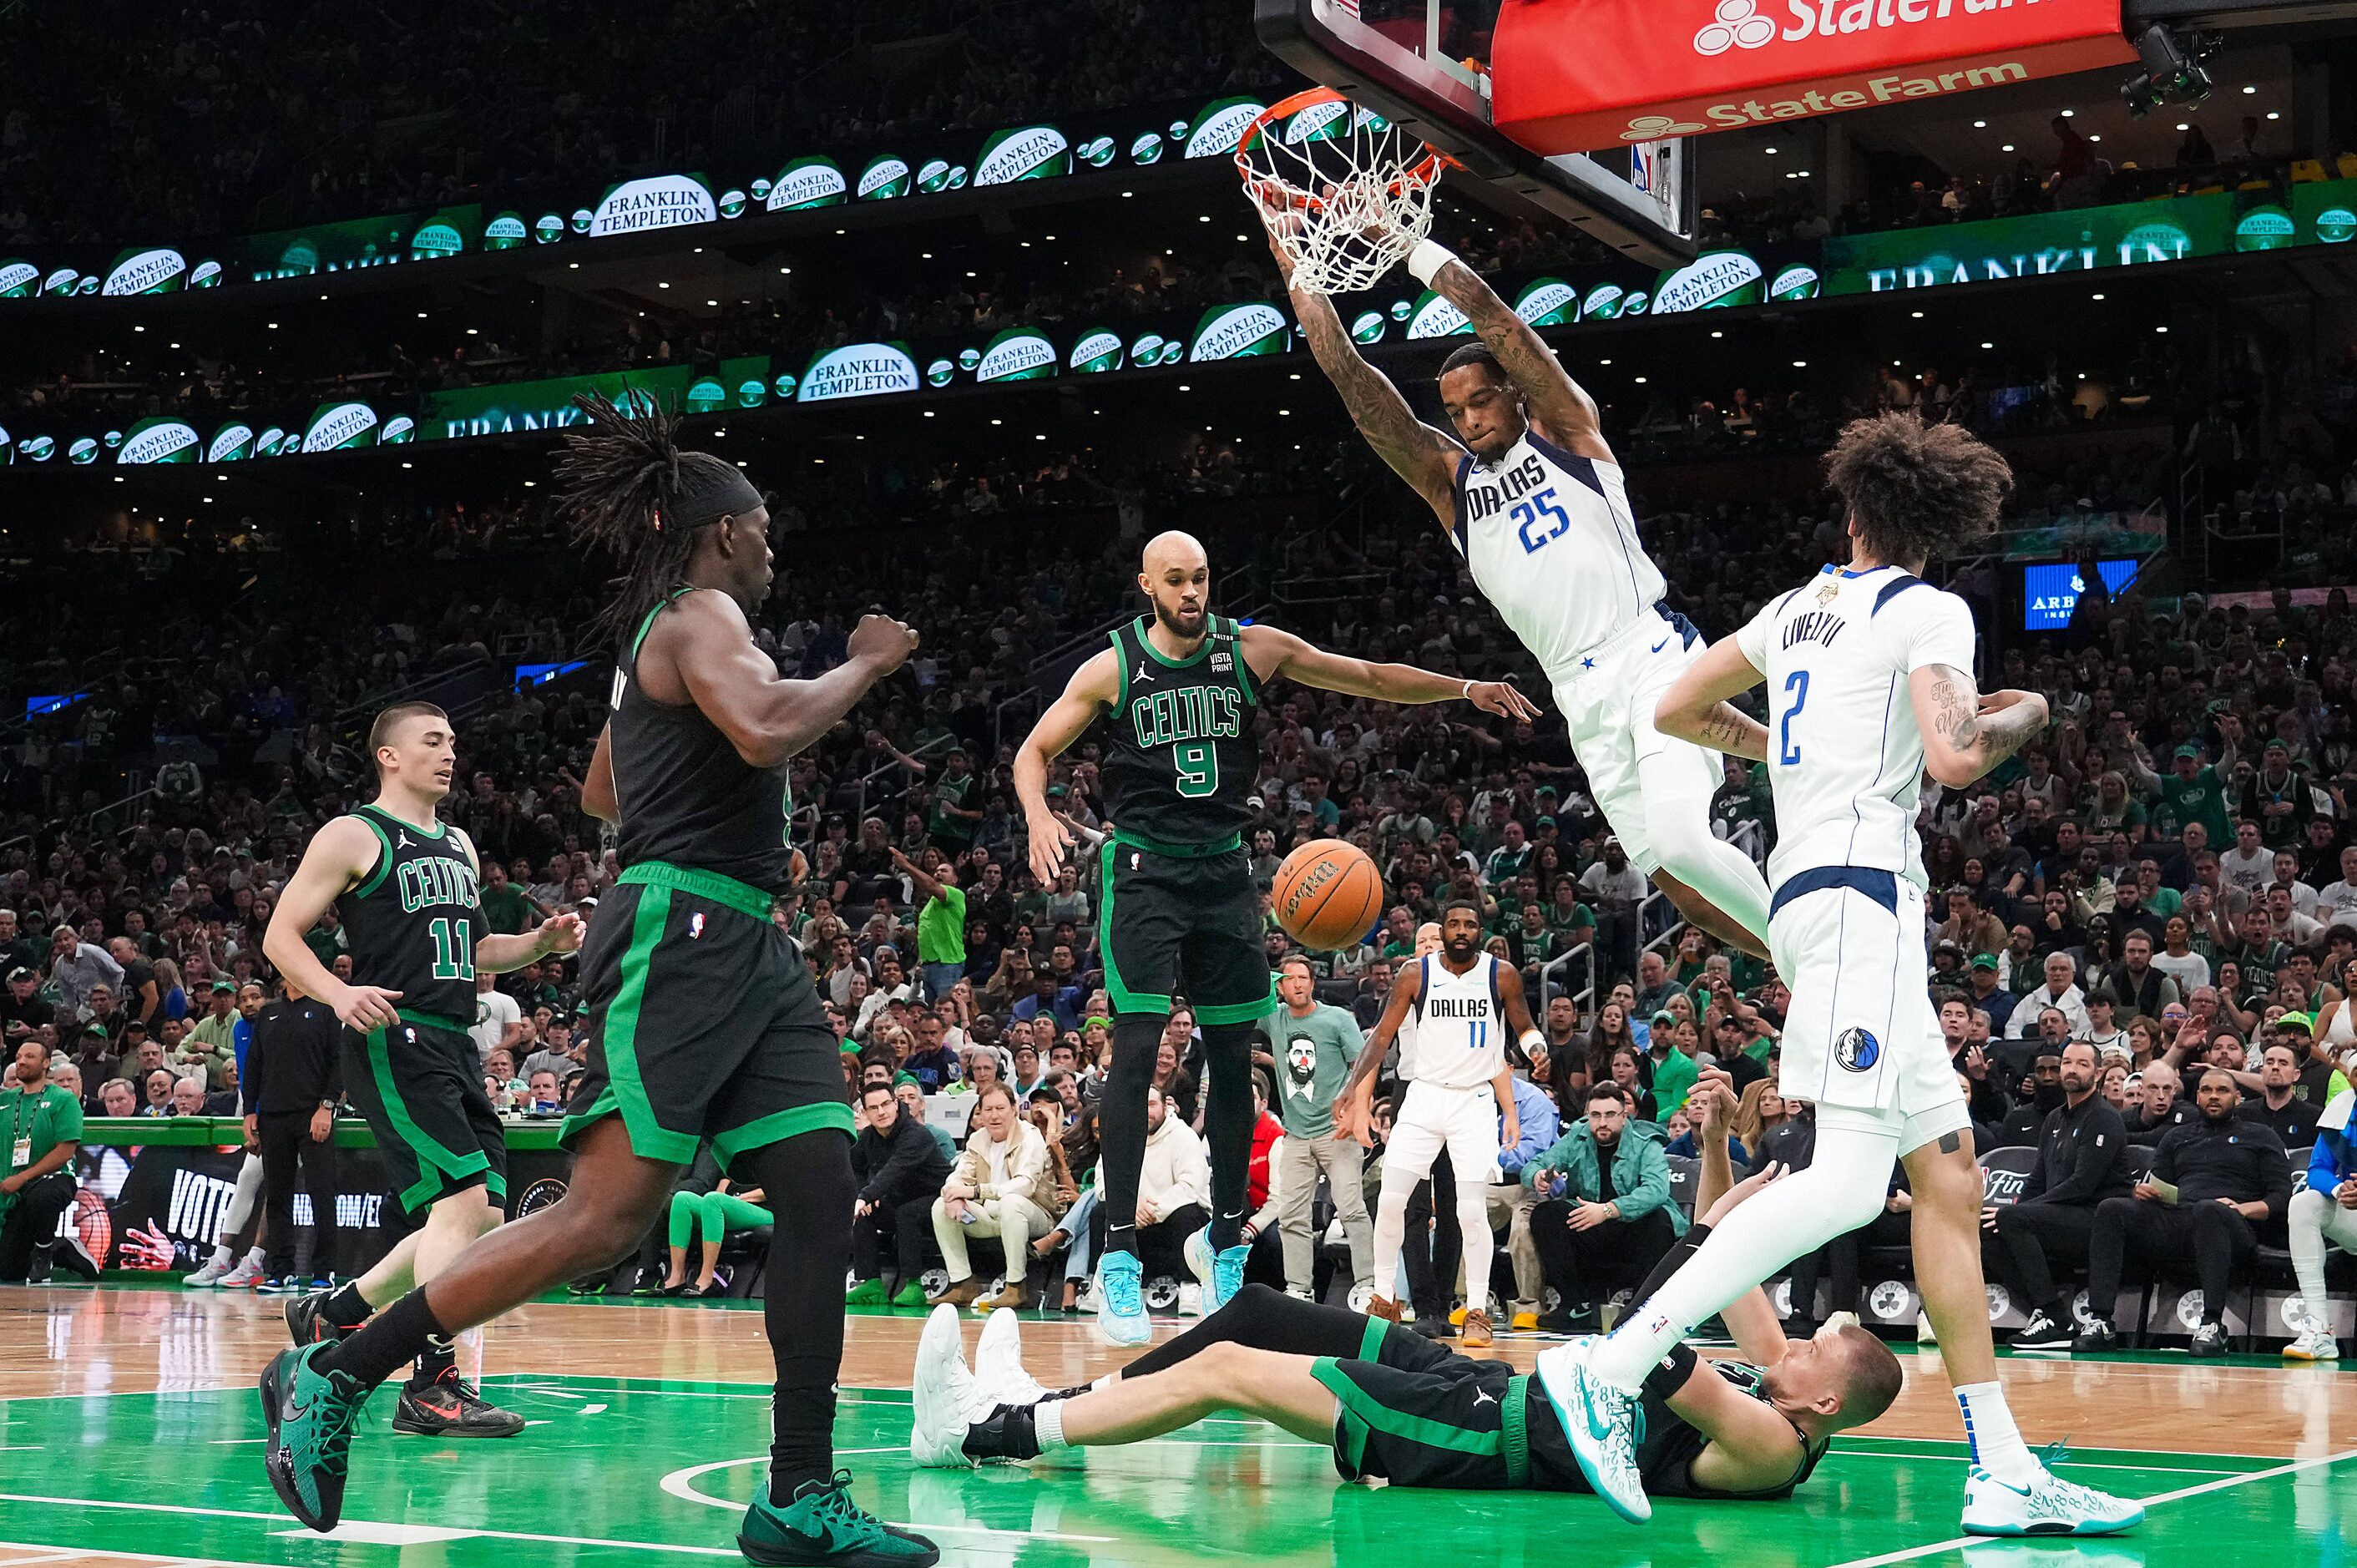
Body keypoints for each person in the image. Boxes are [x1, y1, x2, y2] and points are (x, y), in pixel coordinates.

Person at [259, 393, 938, 1566]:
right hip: (679, 929)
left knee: (821, 1190)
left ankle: (798, 1493)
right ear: (720, 533)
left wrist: (687, 769)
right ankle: (340, 1365)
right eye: (765, 530)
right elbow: (770, 726)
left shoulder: (662, 642)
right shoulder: (700, 610)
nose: (773, 550)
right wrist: (868, 662)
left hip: (747, 939)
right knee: (604, 1218)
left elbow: (599, 789)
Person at [1606, 412, 2140, 1536]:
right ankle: (1611, 1368)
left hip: (1813, 895)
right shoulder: (1925, 607)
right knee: (1847, 1183)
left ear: (1850, 507)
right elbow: (1953, 754)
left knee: (1944, 1180)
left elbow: (1673, 709)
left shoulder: (1791, 609)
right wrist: (2031, 711)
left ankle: (1998, 1466)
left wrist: (1790, 753)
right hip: (1859, 896)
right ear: (1937, 528)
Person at [913, 1070, 1900, 1512]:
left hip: (1478, 1436)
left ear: (1821, 1403)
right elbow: (1719, 1274)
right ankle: (1037, 1406)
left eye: (1812, 1352)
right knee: (1258, 1315)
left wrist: (1711, 1236)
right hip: (1483, 1386)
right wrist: (1723, 1147)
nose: (1795, 1344)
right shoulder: (1790, 1399)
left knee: (1223, 1368)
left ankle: (981, 1433)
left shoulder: (1771, 1442)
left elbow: (1659, 1328)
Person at [1015, 529, 1536, 1346]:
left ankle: (1223, 1242)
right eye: (1176, 581)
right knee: (1138, 1043)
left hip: (1225, 871)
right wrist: (1040, 812)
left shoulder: (1251, 650)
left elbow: (1364, 676)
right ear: (1146, 585)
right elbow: (1034, 749)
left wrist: (1463, 688)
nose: (1192, 593)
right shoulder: (1115, 666)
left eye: (1202, 579)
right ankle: (1117, 1257)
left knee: (1231, 1060)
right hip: (1145, 871)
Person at [1275, 213, 1774, 964]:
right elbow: (1355, 386)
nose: (1468, 420)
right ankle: (1793, 960)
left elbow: (1500, 323)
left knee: (1683, 839)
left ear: (1511, 392)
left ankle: (1812, 951)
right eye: (1454, 412)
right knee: (1673, 877)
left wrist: (1412, 252)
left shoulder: (1569, 432)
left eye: (1480, 401)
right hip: (1577, 694)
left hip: (1648, 654)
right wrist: (1301, 276)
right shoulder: (1453, 488)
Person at [259, 701, 585, 1441]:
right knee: (464, 1206)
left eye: (453, 740)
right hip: (393, 1035)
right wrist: (340, 994)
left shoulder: (461, 845)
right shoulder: (354, 833)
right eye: (432, 741)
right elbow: (281, 933)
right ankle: (431, 1382)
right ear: (389, 756)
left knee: (484, 1218)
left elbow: (472, 954)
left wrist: (538, 943)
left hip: (454, 1041)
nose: (449, 753)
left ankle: (333, 1314)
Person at [1334, 901, 1529, 1345]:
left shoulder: (1489, 980)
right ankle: (1390, 1301)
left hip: (1471, 1100)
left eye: (1467, 926)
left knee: (1465, 1209)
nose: (1453, 934)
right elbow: (1379, 1043)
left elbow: (1497, 1053)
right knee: (1396, 1203)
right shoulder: (1410, 980)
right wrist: (1357, 1097)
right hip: (1416, 1095)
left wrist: (1511, 1107)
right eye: (1447, 927)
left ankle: (1467, 1309)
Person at [2075, 1068, 2293, 1358]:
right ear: (2197, 1097)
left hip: (2235, 1226)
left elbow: (2281, 1197)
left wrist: (2243, 1208)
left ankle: (2213, 1324)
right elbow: (2160, 1184)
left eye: (2222, 1091)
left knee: (2208, 1210)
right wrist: (2144, 1193)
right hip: (2181, 1221)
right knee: (2113, 1208)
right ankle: (2101, 1320)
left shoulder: (2261, 1136)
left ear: (2237, 1098)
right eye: (2206, 1090)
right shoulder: (2177, 1137)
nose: (2213, 1096)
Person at [1985, 1042, 2132, 1350]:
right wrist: (2013, 1212)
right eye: (2067, 1062)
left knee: (2011, 1218)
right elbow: (2037, 1180)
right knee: (1986, 1229)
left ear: (2099, 1072)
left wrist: (2019, 1214)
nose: (2072, 1070)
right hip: (2058, 1216)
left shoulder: (2103, 1117)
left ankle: (2052, 1314)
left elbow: (2083, 1184)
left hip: (2096, 1219)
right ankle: (2048, 1312)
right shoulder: (2054, 1119)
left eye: (2082, 1064)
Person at [1524, 1082, 1683, 1333]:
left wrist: (1608, 1210)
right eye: (1595, 1116)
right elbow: (1536, 1163)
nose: (1602, 1123)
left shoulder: (1646, 1141)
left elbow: (1656, 1190)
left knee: (1659, 1219)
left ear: (1624, 1116)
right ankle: (1575, 1306)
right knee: (1546, 1214)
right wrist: (1539, 1176)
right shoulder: (1577, 1136)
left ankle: (1642, 1308)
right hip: (1591, 1227)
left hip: (1630, 1227)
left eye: (1610, 1115)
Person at [1265, 954, 1373, 1302]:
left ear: (1313, 983)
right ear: (1280, 986)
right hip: (1295, 1133)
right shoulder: (1273, 1018)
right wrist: (1270, 979)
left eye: (1303, 977)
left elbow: (1365, 1066)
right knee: (1290, 1215)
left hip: (1335, 1129)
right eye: (1289, 979)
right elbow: (1250, 992)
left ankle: (1370, 1284)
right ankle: (1298, 1289)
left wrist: (1358, 1114)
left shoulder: (1337, 1019)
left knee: (1352, 1209)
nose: (1297, 984)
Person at [245, 979, 346, 1292]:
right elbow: (254, 1064)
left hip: (312, 1112)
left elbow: (340, 1061)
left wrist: (327, 1106)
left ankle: (324, 1270)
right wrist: (250, 1110)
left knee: (321, 1193)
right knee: (277, 1196)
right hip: (273, 1116)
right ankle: (280, 1271)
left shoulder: (327, 1008)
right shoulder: (268, 1012)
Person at [929, 1082, 1055, 1311]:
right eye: (988, 1110)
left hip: (1034, 1214)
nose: (994, 1116)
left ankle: (1016, 1286)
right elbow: (957, 1178)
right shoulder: (978, 1139)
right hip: (990, 1215)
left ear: (1014, 1109)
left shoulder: (1031, 1136)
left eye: (1000, 1108)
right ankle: (962, 1283)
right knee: (941, 1206)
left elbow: (1025, 1185)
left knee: (1010, 1202)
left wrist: (977, 1191)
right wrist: (955, 1195)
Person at [847, 1081, 953, 1308]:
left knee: (907, 1213)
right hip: (900, 1196)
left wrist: (866, 1195)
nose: (881, 1112)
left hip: (939, 1198)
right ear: (865, 1113)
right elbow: (854, 1167)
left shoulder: (915, 1134)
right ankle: (872, 1282)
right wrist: (862, 1194)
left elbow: (896, 1169)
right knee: (867, 1214)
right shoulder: (869, 1137)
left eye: (886, 1104)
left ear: (896, 1104)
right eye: (874, 1108)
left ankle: (914, 1284)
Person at [0, 1037, 97, 1282]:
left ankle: (43, 1251)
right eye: (19, 1056)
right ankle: (61, 1248)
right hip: (11, 1187)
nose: (21, 1061)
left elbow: (65, 1151)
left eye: (29, 1057)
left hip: (53, 1179)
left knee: (43, 1196)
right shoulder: (5, 1100)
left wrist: (22, 1177)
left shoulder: (64, 1100)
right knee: (9, 1271)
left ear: (46, 1064)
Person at [2284, 1085, 2354, 1360]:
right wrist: (2340, 1190)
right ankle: (2319, 1330)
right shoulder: (2341, 1111)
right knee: (2304, 1203)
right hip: (2353, 1213)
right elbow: (2318, 1170)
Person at [664, 1176, 770, 1297]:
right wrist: (722, 1193)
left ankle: (707, 1278)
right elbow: (726, 1177)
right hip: (729, 1202)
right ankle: (677, 1278)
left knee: (714, 1199)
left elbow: (774, 1191)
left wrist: (736, 1198)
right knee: (682, 1198)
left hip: (763, 1209)